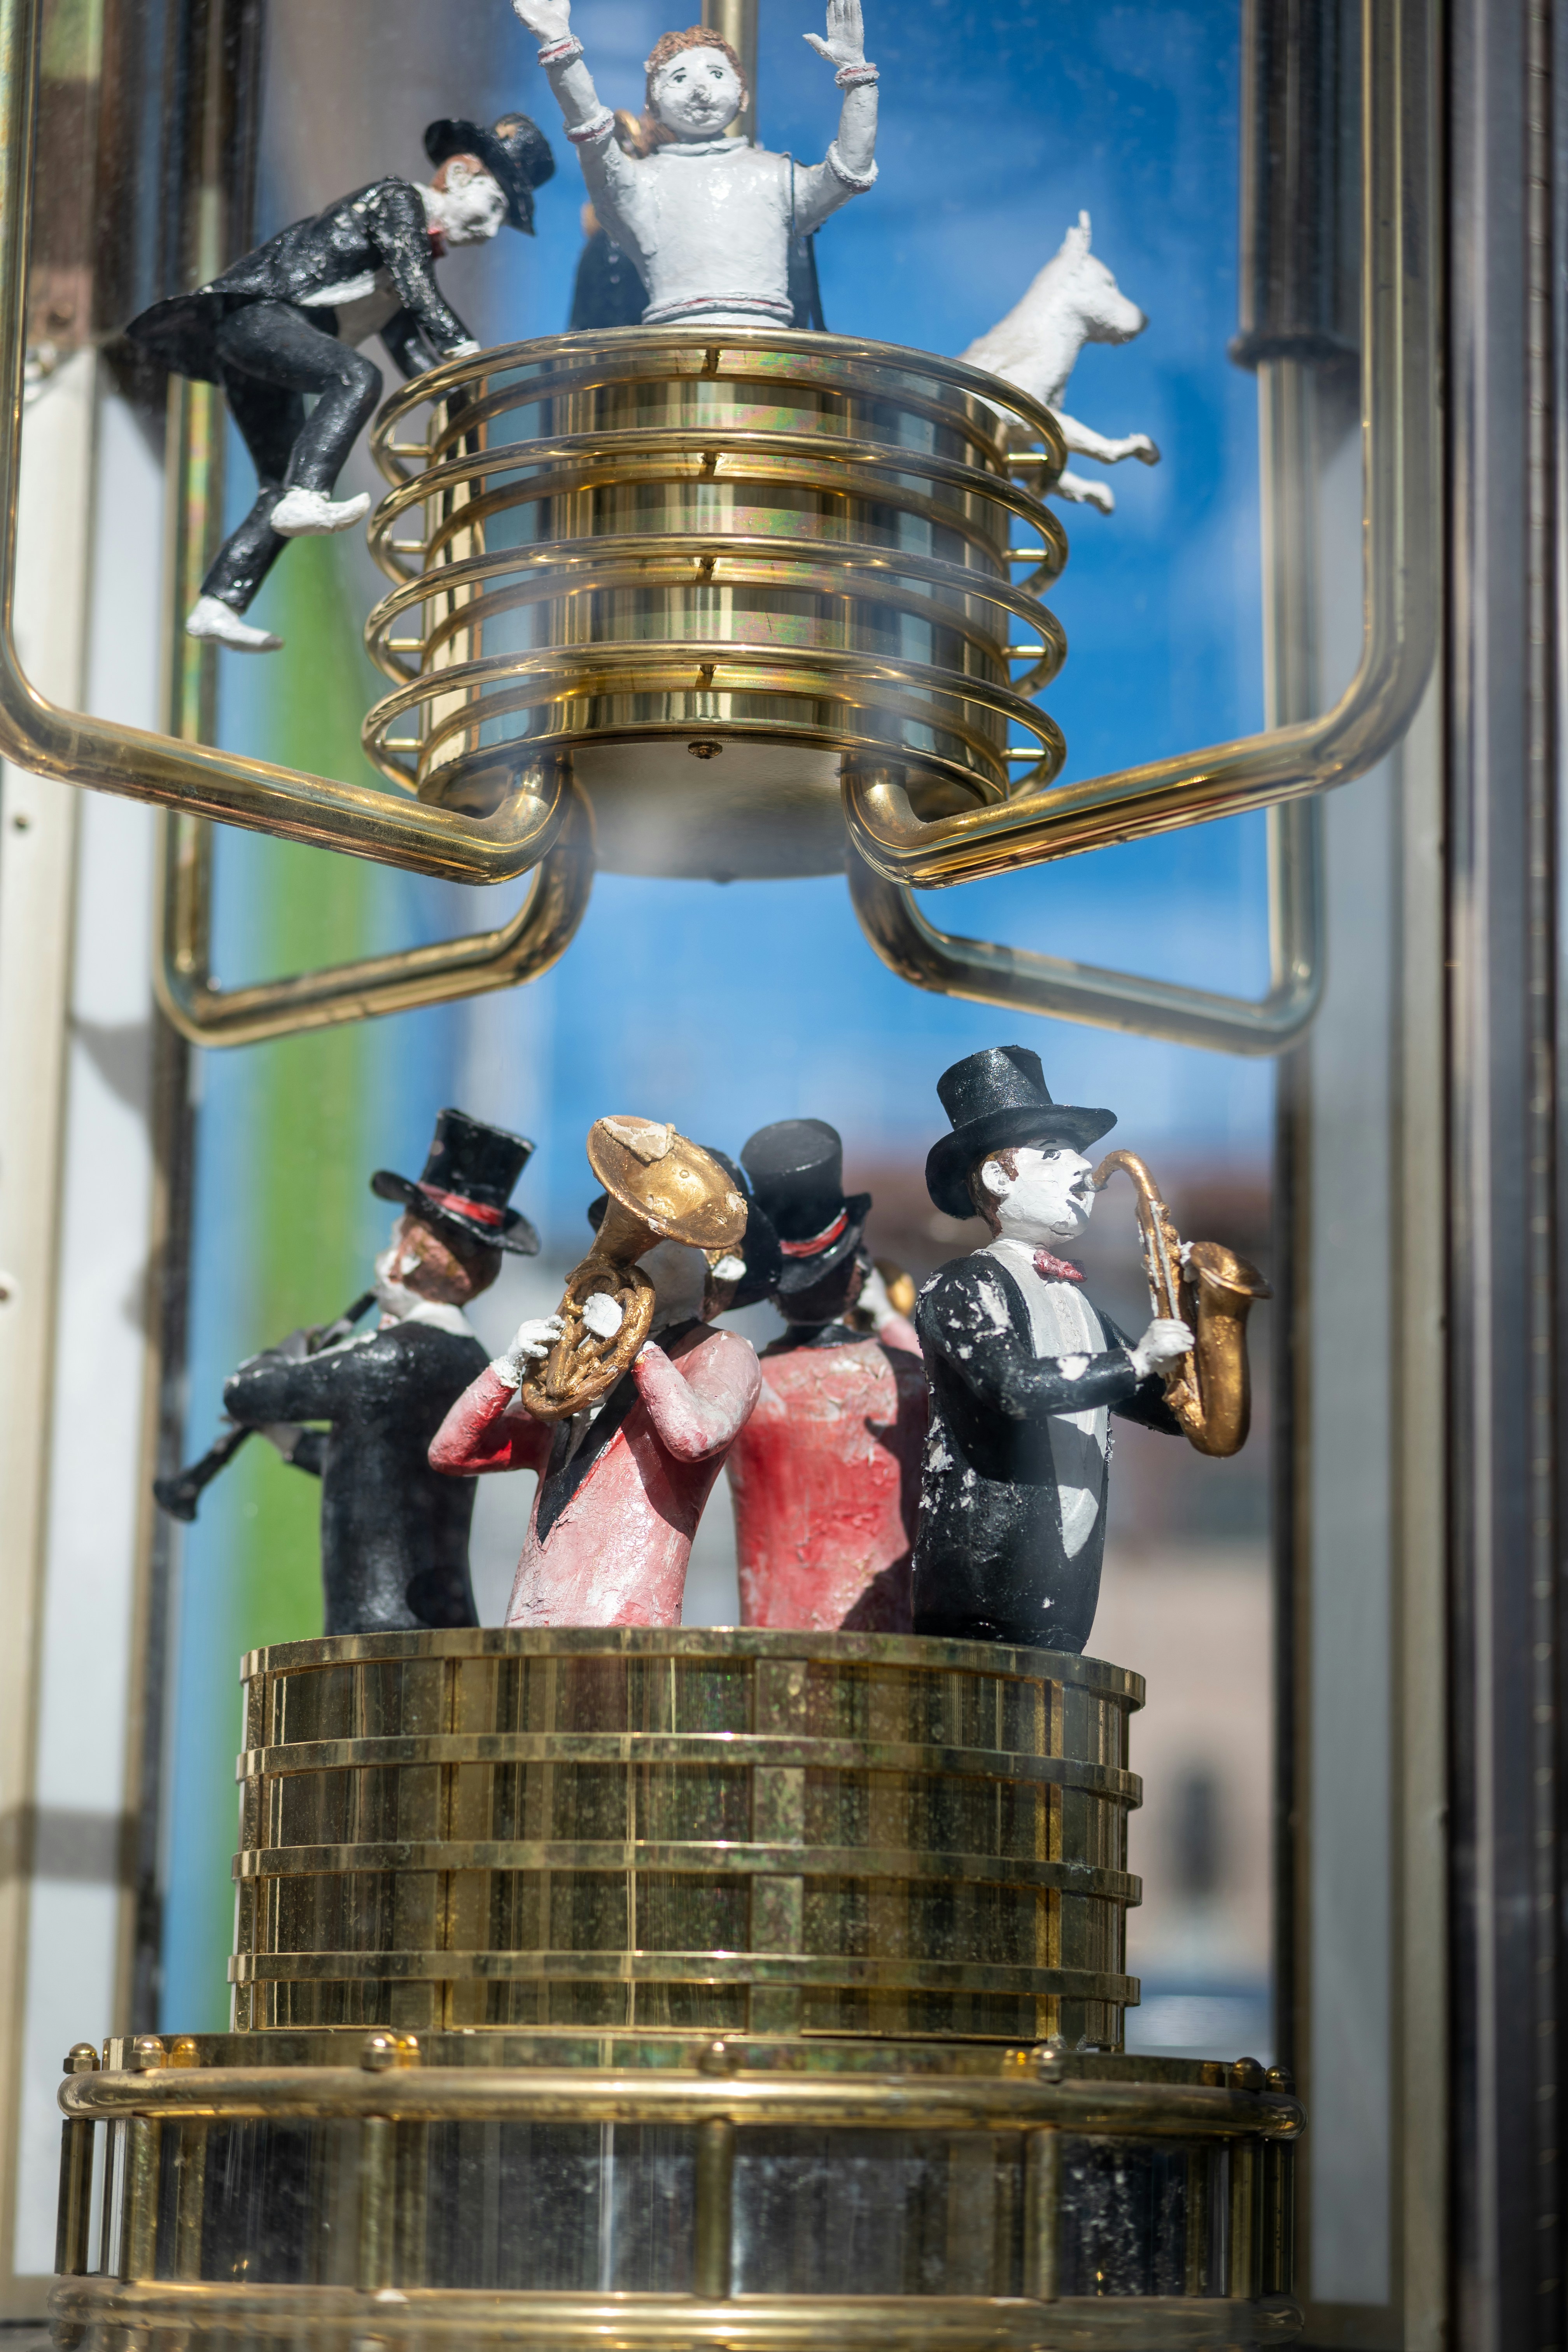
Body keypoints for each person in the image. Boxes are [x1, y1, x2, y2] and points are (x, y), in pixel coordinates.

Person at [126, 115, 553, 653]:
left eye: (501, 222)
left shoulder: (406, 257)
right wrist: (467, 352)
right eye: (493, 208)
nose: (490, 232)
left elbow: (408, 344)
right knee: (356, 377)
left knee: (277, 486)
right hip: (256, 321)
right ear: (459, 175)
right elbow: (417, 287)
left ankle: (218, 604)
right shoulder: (398, 202)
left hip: (260, 351)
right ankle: (309, 494)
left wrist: (460, 398)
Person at [912, 1046, 1189, 1652]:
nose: (1084, 1169)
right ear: (997, 1178)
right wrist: (1137, 1360)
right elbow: (1009, 1383)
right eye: (1052, 1152)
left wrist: (1200, 1320)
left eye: (1078, 1152)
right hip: (979, 1591)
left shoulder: (1083, 1306)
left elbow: (1171, 1411)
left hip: (1066, 1599)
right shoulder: (963, 1284)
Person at [222, 1110, 541, 1634]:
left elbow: (246, 1393)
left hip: (378, 1629)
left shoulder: (389, 1356)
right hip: (440, 1621)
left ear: (407, 1261)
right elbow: (380, 1471)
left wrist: (281, 1357)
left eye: (396, 1238)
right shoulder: (471, 1360)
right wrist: (284, 1438)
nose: (386, 1253)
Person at [429, 1124, 761, 1626]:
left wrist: (637, 1347)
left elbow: (693, 1437)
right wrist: (508, 1368)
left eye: (663, 1239)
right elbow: (451, 1452)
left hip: (623, 1632)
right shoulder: (582, 1375)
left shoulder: (724, 1352)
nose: (627, 1256)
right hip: (528, 1630)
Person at [511, 0, 876, 331]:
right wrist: (559, 48)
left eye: (717, 74)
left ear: (743, 95)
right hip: (672, 358)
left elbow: (848, 174)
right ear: (654, 104)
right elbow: (592, 133)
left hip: (767, 354)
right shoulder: (641, 184)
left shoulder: (777, 176)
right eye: (680, 78)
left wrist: (857, 77)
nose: (701, 90)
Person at [724, 1118, 926, 1633]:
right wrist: (890, 1320)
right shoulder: (905, 1376)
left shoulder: (743, 1384)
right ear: (858, 1272)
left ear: (771, 1288)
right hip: (890, 1633)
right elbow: (944, 1386)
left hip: (770, 1634)